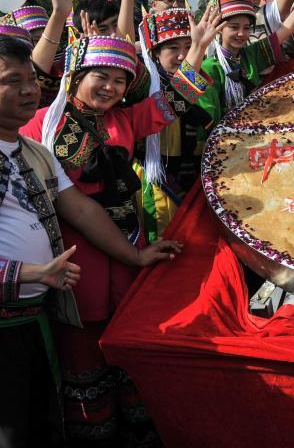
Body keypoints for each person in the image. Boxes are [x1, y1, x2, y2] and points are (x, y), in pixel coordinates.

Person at [0, 36, 169, 446]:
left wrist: (136, 254)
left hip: (77, 264)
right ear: (74, 77)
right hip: (50, 273)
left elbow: (79, 207)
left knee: (31, 404)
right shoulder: (46, 123)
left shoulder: (34, 150)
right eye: (100, 76)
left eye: (119, 80)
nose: (28, 89)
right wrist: (29, 272)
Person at [135, 5, 220, 241]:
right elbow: (176, 98)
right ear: (154, 54)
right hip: (154, 185)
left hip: (190, 178)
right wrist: (199, 47)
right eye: (173, 48)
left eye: (188, 47)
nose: (183, 55)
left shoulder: (195, 85)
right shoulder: (140, 88)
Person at [198, 0, 283, 123]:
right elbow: (208, 116)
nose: (241, 33)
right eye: (234, 27)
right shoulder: (208, 68)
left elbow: (283, 33)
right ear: (219, 29)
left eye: (247, 28)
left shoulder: (250, 55)